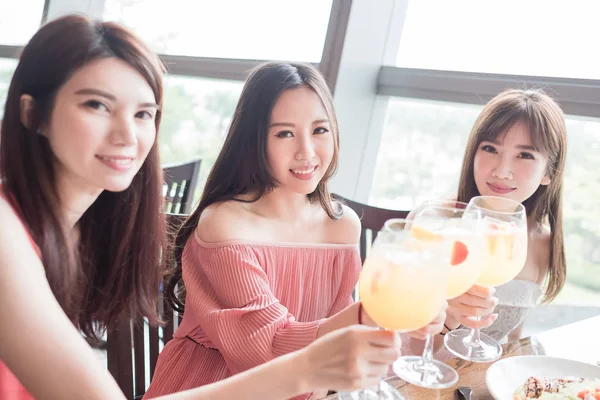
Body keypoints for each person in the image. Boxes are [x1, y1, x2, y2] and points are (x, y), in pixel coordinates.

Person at [0, 15, 404, 400]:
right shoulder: (6, 232)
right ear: (33, 113)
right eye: (97, 105)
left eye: (144, 114)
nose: (128, 134)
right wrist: (307, 366)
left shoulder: (78, 233)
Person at [145, 61, 446, 399]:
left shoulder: (342, 225)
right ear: (254, 141)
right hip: (214, 386)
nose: (306, 152)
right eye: (284, 133)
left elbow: (345, 348)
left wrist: (421, 322)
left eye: (319, 130)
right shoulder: (226, 226)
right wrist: (373, 313)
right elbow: (268, 350)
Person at [441, 88, 567, 344]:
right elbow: (397, 338)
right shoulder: (438, 222)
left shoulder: (543, 243)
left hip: (487, 379)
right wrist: (448, 315)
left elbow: (512, 340)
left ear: (548, 172)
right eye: (490, 148)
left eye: (524, 155)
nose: (502, 171)